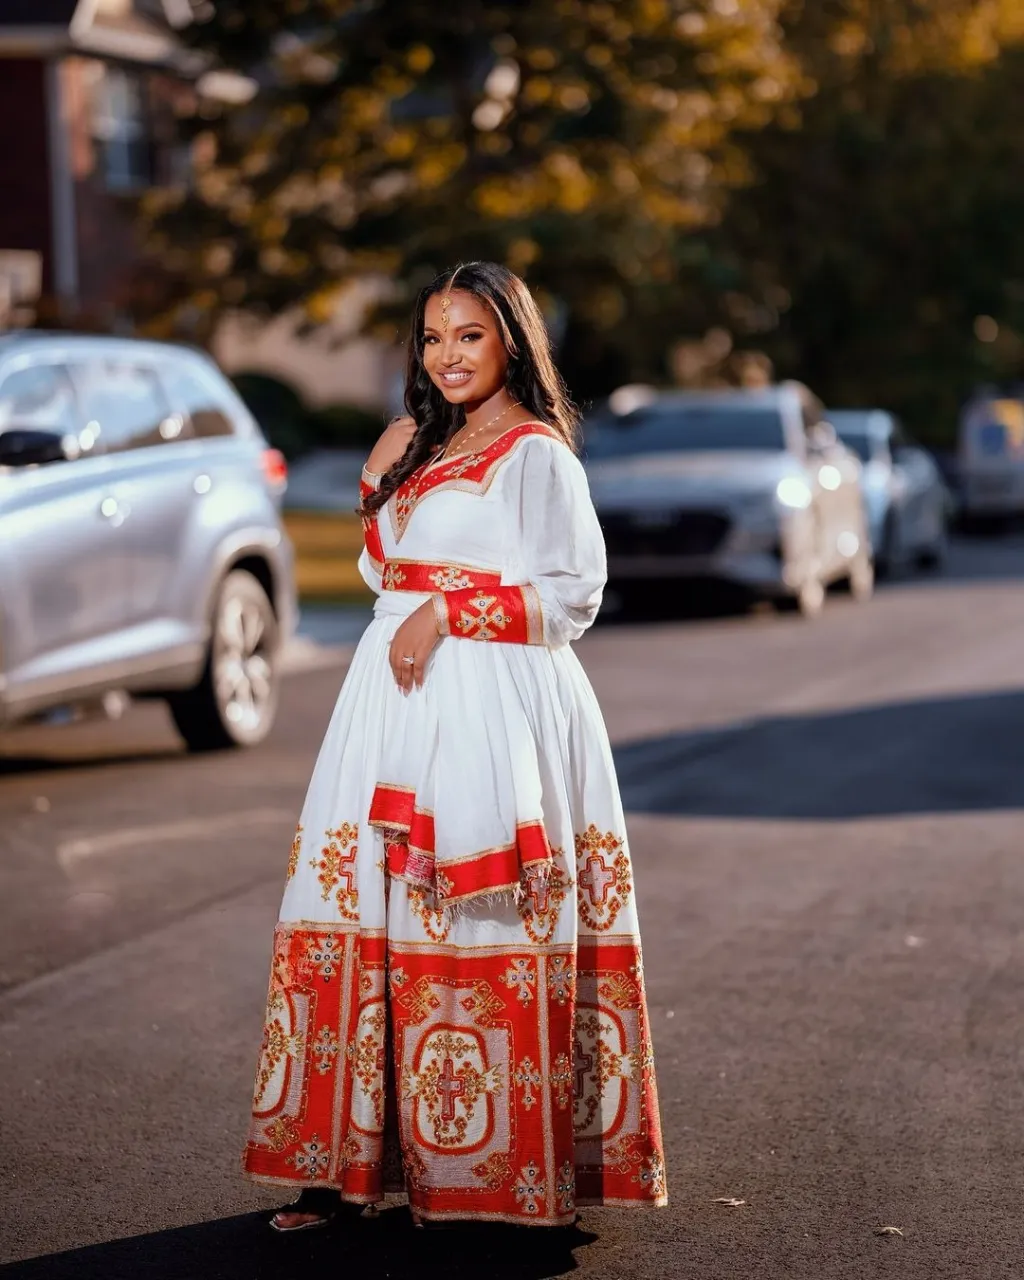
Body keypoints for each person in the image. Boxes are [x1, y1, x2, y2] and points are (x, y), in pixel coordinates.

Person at [242, 261, 666, 1231]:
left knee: (465, 919)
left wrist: (447, 611)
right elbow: (381, 564)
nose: (447, 355)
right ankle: (346, 1167)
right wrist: (384, 474)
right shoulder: (415, 443)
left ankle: (495, 1172)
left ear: (511, 340)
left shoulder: (537, 455)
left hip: (493, 707)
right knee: (355, 911)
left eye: (468, 335)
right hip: (384, 711)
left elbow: (574, 594)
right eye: (433, 337)